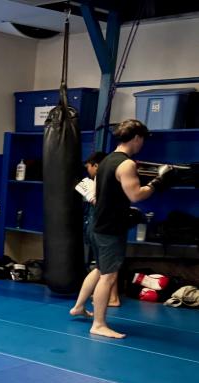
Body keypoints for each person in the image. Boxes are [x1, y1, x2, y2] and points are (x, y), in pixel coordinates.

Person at [69, 119, 168, 338]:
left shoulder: (106, 160)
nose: (142, 143)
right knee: (108, 276)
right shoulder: (126, 164)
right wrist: (157, 183)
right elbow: (136, 195)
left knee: (98, 269)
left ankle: (78, 306)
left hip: (97, 224)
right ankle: (99, 324)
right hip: (110, 228)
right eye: (142, 139)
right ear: (136, 138)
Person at [81, 152, 120, 307]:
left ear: (96, 165)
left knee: (105, 266)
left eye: (88, 167)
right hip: (100, 223)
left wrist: (92, 197)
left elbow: (102, 204)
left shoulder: (102, 179)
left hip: (103, 225)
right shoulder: (105, 179)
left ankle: (113, 297)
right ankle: (111, 296)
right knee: (104, 265)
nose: (88, 171)